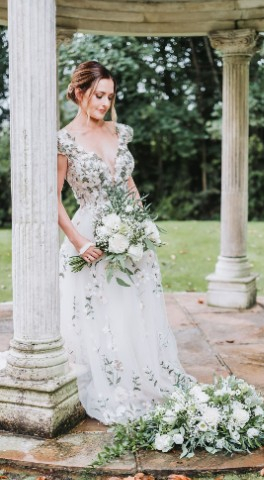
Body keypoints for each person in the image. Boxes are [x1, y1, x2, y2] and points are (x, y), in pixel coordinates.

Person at [57, 60, 193, 425]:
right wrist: (78, 241)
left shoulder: (120, 132)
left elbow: (129, 184)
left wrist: (142, 226)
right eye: (99, 95)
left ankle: (143, 375)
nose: (104, 103)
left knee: (135, 307)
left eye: (110, 96)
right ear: (80, 92)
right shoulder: (64, 141)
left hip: (130, 234)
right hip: (90, 236)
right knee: (103, 311)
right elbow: (50, 198)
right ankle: (112, 381)